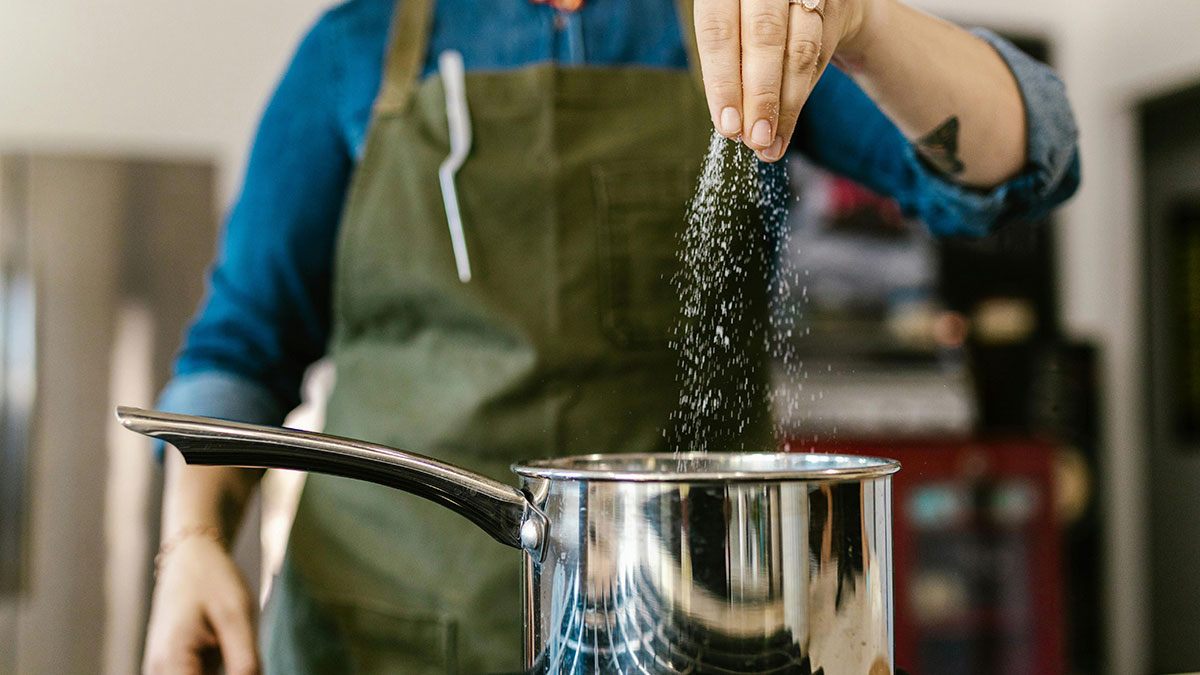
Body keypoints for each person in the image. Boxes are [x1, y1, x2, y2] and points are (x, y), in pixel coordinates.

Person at [142, 0, 1080, 672]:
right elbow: (238, 351)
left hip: (687, 626)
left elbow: (1030, 159)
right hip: (381, 628)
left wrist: (860, 20)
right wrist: (191, 540)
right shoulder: (357, 48)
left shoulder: (746, 28)